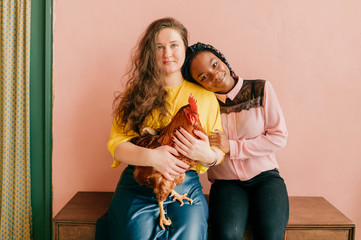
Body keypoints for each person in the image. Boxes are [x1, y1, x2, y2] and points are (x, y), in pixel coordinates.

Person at [95, 19, 224, 240]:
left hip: (185, 183)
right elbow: (116, 145)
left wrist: (207, 155)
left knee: (190, 235)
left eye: (174, 45)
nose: (167, 53)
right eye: (159, 47)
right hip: (140, 180)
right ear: (150, 52)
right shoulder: (135, 95)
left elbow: (218, 149)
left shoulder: (205, 97)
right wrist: (152, 157)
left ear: (185, 48)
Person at [181, 42, 289, 240]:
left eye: (214, 64)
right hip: (226, 184)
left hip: (266, 178)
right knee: (227, 234)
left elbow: (279, 137)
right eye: (203, 76)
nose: (214, 75)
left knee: (271, 235)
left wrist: (231, 146)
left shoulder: (260, 89)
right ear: (198, 84)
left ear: (222, 58)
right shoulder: (202, 105)